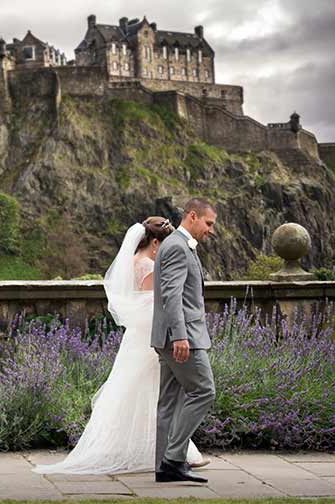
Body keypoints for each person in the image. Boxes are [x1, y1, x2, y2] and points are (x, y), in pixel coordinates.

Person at [31, 216, 208, 475]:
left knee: (151, 395)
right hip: (152, 338)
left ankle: (170, 455)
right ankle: (174, 455)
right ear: (156, 243)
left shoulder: (133, 263)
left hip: (138, 338)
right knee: (163, 395)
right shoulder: (148, 266)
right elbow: (155, 306)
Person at [151, 198, 217, 483]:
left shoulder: (176, 244)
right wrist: (180, 336)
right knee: (204, 390)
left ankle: (164, 469)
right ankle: (173, 460)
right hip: (181, 336)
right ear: (193, 216)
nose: (211, 230)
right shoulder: (178, 246)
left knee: (168, 402)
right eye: (209, 223)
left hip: (168, 336)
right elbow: (172, 295)